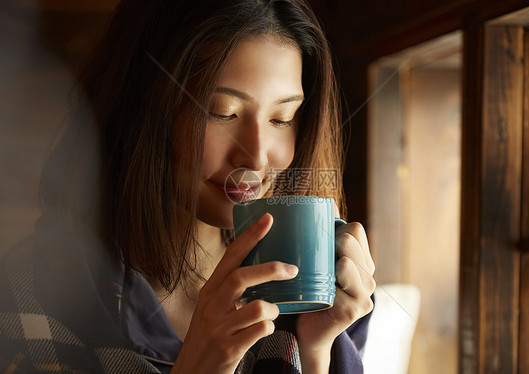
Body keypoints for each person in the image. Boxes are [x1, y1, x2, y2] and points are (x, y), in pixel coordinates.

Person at [0, 0, 376, 373]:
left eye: (282, 118)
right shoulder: (31, 294)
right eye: (223, 112)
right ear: (144, 107)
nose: (257, 158)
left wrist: (317, 351)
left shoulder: (314, 296)